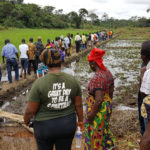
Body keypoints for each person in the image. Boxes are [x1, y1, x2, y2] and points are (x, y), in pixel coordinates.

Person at [24, 48, 83, 150]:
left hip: (45, 128)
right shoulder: (72, 80)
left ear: (45, 63)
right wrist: (81, 121)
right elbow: (78, 105)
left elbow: (30, 111)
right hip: (67, 126)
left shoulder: (39, 83)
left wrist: (26, 121)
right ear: (60, 60)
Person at [84, 48, 117, 150]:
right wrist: (108, 106)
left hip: (98, 110)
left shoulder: (97, 77)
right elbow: (111, 90)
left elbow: (98, 100)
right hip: (106, 107)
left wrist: (91, 115)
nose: (90, 66)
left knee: (95, 133)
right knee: (104, 129)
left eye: (90, 63)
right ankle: (111, 147)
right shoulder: (107, 72)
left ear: (93, 63)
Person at [140, 41, 150, 150]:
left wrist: (142, 75)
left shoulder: (147, 71)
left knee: (147, 136)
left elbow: (144, 93)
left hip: (148, 107)